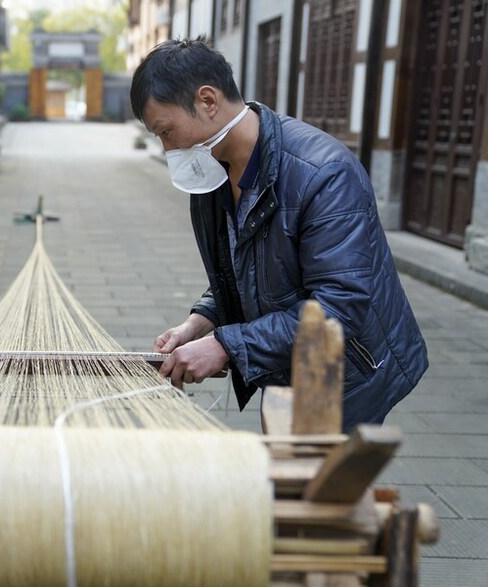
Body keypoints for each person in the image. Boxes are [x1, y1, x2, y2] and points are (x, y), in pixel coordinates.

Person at [130, 39, 428, 431]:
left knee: (318, 483)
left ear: (207, 101)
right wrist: (200, 322)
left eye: (167, 131)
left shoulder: (323, 174)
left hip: (345, 371)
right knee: (286, 471)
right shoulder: (214, 167)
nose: (168, 147)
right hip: (284, 360)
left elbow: (338, 308)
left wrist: (225, 345)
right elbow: (250, 270)